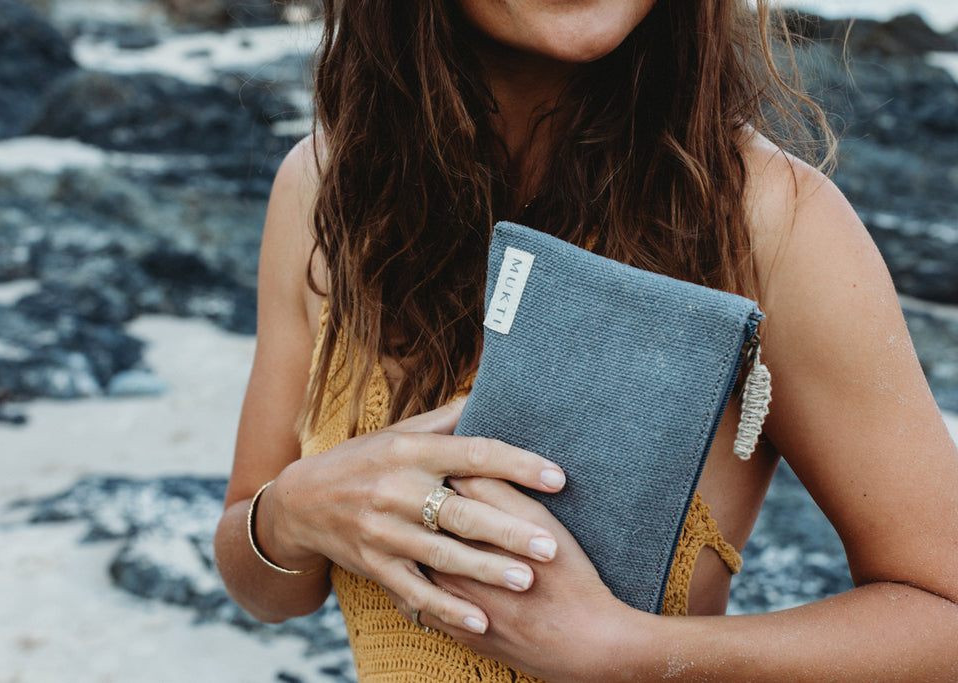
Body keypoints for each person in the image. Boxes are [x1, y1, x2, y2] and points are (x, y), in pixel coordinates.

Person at [214, 1, 958, 680]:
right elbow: (264, 584)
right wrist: (292, 512)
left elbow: (943, 613)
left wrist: (626, 652)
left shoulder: (766, 224)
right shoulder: (326, 192)